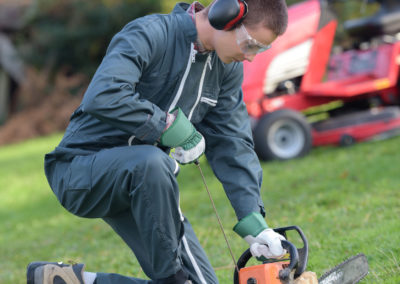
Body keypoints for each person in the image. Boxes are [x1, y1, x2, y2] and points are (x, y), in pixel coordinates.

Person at [27, 0, 288, 283]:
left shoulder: (226, 69)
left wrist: (254, 222)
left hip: (149, 184)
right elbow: (104, 95)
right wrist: (165, 126)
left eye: (260, 49)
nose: (250, 56)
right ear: (226, 16)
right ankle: (172, 277)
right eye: (250, 44)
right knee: (152, 164)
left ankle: (70, 280)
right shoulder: (150, 33)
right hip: (81, 171)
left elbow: (233, 142)